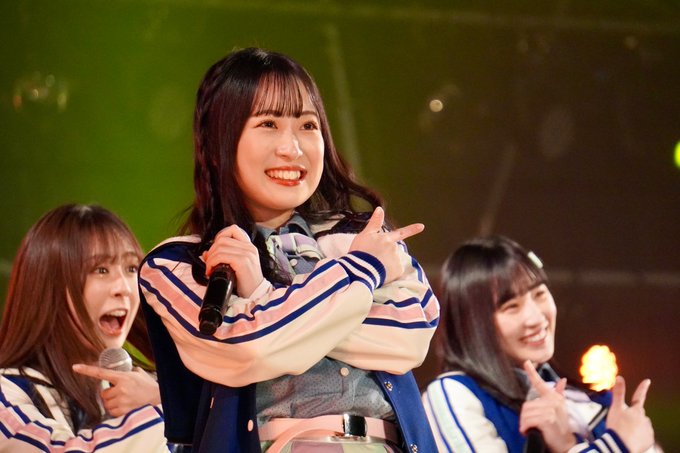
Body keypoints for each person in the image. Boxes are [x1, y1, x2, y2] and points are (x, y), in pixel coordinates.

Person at [138, 47, 439, 453]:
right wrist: (361, 275)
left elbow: (411, 335)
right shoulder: (179, 265)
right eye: (268, 123)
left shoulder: (361, 236)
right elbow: (245, 348)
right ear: (218, 142)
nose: (292, 148)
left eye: (308, 125)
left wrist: (263, 298)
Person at [422, 236, 657, 453]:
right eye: (511, 307)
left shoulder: (590, 401)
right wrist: (615, 446)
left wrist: (567, 445)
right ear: (472, 322)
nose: (536, 318)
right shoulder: (453, 393)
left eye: (540, 294)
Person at [0, 204, 169, 452]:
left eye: (131, 268)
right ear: (50, 288)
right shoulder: (8, 396)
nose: (124, 288)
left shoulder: (152, 389)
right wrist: (164, 409)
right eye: (101, 270)